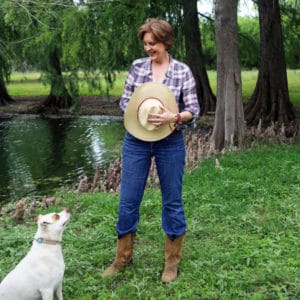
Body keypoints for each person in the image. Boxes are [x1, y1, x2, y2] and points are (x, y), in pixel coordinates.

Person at [102, 18, 200, 283]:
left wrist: (174, 116)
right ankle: (122, 258)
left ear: (166, 42)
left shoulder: (182, 71)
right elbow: (124, 101)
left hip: (170, 140)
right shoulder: (137, 67)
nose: (148, 48)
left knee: (172, 201)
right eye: (145, 43)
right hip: (136, 139)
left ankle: (171, 262)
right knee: (128, 201)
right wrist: (141, 109)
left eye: (153, 43)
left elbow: (194, 110)